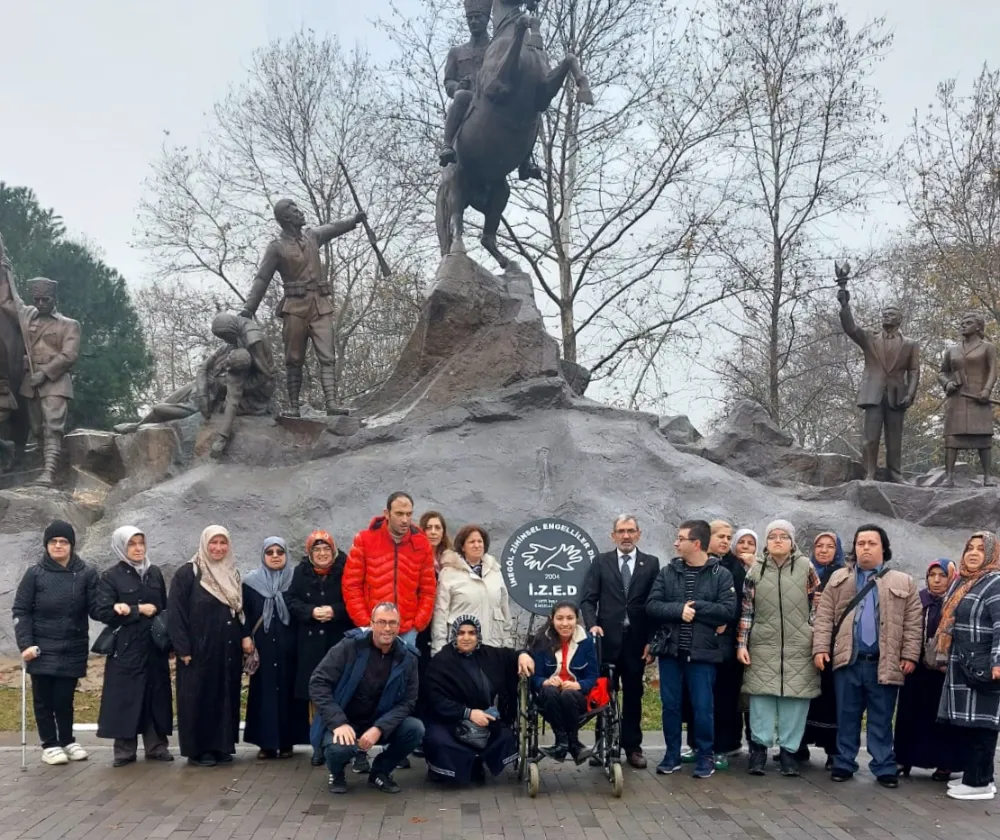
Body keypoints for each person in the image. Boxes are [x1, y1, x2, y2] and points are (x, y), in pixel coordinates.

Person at [812, 525, 921, 788]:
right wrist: (820, 648)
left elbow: (913, 623)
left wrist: (910, 655)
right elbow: (825, 617)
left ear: (883, 547)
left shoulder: (903, 581)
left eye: (872, 543)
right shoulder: (839, 578)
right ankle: (844, 762)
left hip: (884, 662)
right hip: (848, 660)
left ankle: (883, 765)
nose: (866, 548)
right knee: (847, 715)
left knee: (881, 717)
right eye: (861, 543)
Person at [238, 198, 366, 416]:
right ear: (286, 217)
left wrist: (354, 220)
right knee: (294, 358)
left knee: (327, 356)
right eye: (294, 209)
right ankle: (294, 407)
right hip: (295, 308)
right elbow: (262, 279)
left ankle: (332, 404)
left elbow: (334, 228)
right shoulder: (277, 248)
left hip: (320, 305)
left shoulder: (312, 236)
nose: (299, 212)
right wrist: (249, 309)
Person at [646, 520, 736, 779]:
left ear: (696, 544)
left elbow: (728, 611)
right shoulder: (668, 571)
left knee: (703, 706)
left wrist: (695, 608)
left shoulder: (721, 575)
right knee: (670, 705)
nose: (676, 543)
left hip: (703, 653)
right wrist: (678, 610)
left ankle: (705, 755)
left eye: (681, 538)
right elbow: (652, 605)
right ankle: (671, 754)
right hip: (671, 653)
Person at [309, 602, 424, 795]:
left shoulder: (408, 658)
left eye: (392, 623)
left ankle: (381, 772)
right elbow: (318, 683)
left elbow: (409, 701)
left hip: (379, 721)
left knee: (415, 729)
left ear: (399, 626)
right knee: (339, 749)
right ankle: (336, 773)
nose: (387, 628)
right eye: (381, 622)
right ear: (371, 624)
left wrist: (380, 728)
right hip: (345, 719)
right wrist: (338, 723)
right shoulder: (349, 646)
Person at [737, 520, 821, 777]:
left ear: (792, 541)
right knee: (761, 699)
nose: (777, 540)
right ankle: (759, 751)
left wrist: (814, 635)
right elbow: (747, 611)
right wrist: (742, 644)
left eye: (783, 536)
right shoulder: (756, 570)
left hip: (799, 644)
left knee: (795, 701)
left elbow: (817, 603)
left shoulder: (806, 567)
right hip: (763, 643)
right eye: (772, 536)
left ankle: (788, 752)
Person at [12, 520, 99, 765]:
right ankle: (50, 744)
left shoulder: (86, 573)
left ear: (71, 545)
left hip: (72, 645)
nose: (58, 546)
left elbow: (96, 608)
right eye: (53, 542)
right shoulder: (35, 574)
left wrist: (117, 607)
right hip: (40, 647)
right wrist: (25, 644)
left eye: (64, 542)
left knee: (64, 698)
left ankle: (68, 740)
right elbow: (21, 610)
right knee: (44, 698)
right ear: (46, 545)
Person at [168, 525, 253, 767]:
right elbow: (175, 613)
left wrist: (244, 636)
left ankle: (221, 745)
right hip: (198, 651)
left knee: (224, 695)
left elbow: (239, 611)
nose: (218, 548)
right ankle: (199, 749)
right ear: (204, 544)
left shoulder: (232, 573)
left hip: (226, 650)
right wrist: (183, 649)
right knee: (198, 697)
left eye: (223, 543)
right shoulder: (189, 573)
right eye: (213, 543)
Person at [580, 514, 658, 769]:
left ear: (639, 534)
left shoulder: (651, 564)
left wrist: (652, 641)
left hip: (636, 643)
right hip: (607, 642)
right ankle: (602, 745)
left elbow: (654, 605)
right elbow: (588, 599)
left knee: (634, 695)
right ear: (612, 535)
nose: (626, 536)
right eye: (621, 531)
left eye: (631, 531)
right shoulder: (601, 562)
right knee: (602, 694)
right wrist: (592, 625)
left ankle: (632, 747)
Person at [422, 615, 534, 784]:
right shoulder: (441, 661)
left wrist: (523, 655)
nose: (466, 638)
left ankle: (477, 762)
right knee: (439, 740)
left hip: (487, 718)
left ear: (478, 635)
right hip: (451, 720)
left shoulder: (490, 654)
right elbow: (435, 699)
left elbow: (512, 656)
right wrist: (468, 713)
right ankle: (454, 769)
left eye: (471, 633)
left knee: (504, 735)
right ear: (454, 635)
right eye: (461, 633)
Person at [95, 526, 173, 766]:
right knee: (125, 697)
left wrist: (168, 640)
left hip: (153, 646)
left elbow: (164, 608)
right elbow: (101, 611)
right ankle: (124, 751)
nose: (138, 548)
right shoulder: (111, 576)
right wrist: (134, 610)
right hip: (126, 648)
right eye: (132, 544)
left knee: (155, 695)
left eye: (141, 543)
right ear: (121, 546)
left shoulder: (155, 573)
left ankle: (156, 746)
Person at [0, 265, 81, 487]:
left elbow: (68, 355)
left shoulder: (69, 325)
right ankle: (37, 469)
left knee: (52, 427)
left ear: (53, 298)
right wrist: (4, 273)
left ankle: (49, 473)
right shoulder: (27, 318)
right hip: (30, 383)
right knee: (36, 430)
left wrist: (45, 373)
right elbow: (9, 301)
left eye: (45, 300)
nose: (41, 304)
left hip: (55, 382)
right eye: (37, 300)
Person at [937, 532, 1000, 801]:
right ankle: (980, 777)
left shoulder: (995, 582)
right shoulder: (967, 581)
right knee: (973, 724)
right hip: (966, 664)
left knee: (983, 726)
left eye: (980, 549)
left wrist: (998, 661)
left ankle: (978, 783)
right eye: (969, 548)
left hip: (984, 666)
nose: (973, 553)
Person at [837, 288, 921, 482]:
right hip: (873, 394)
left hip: (897, 396)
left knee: (895, 439)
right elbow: (851, 329)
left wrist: (910, 394)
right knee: (871, 439)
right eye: (884, 314)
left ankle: (895, 473)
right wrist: (844, 306)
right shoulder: (869, 337)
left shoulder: (910, 344)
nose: (886, 316)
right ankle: (870, 473)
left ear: (900, 319)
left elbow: (914, 370)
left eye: (891, 314)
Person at [894, 560, 966, 780]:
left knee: (941, 718)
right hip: (917, 668)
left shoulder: (959, 601)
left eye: (942, 575)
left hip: (944, 671)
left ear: (952, 577)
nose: (936, 580)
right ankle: (904, 758)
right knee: (910, 715)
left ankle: (943, 764)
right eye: (932, 575)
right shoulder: (918, 600)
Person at [285, 530, 352, 765]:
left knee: (343, 692)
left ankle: (345, 744)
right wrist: (311, 612)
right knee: (316, 696)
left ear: (333, 550)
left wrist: (334, 611)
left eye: (326, 549)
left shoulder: (346, 569)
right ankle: (318, 746)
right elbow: (291, 600)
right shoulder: (301, 572)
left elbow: (354, 599)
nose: (322, 554)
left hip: (339, 642)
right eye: (317, 549)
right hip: (311, 645)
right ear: (310, 552)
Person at [243, 537, 309, 759]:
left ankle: (288, 741)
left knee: (290, 692)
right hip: (264, 647)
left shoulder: (295, 580)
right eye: (269, 552)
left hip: (291, 648)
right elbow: (244, 614)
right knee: (265, 693)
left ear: (286, 554)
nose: (274, 556)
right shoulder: (251, 583)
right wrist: (246, 638)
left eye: (279, 552)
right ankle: (266, 743)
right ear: (263, 555)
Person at [342, 492, 436, 646]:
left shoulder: (421, 544)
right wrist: (366, 622)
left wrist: (418, 623)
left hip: (407, 630)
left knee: (404, 670)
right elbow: (351, 585)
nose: (405, 520)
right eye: (399, 514)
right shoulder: (365, 540)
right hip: (373, 629)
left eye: (408, 514)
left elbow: (428, 589)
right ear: (386, 514)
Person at [530, 601, 599, 765]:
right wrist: (545, 681)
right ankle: (564, 743)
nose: (565, 623)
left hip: (576, 697)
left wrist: (579, 685)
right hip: (549, 698)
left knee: (568, 694)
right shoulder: (542, 640)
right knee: (550, 691)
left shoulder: (586, 641)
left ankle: (570, 742)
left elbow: (593, 676)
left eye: (570, 618)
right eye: (560, 618)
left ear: (577, 619)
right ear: (552, 619)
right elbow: (534, 677)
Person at [798, 532, 845, 767]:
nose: (824, 550)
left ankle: (832, 751)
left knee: (830, 698)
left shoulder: (845, 575)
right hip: (806, 644)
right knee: (804, 697)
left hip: (833, 645)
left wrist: (827, 603)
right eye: (819, 546)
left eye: (830, 546)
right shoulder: (805, 572)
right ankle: (799, 746)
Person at [938, 311, 998, 486]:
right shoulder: (952, 350)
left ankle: (987, 476)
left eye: (968, 322)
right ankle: (949, 477)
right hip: (957, 399)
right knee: (951, 438)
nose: (963, 325)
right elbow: (942, 372)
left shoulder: (987, 347)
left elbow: (993, 370)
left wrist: (987, 390)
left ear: (978, 326)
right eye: (962, 322)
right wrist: (946, 384)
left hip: (978, 397)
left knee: (984, 438)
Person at [431, 525, 511, 654]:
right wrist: (439, 648)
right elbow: (440, 613)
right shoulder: (449, 573)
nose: (477, 545)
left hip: (493, 646)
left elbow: (504, 609)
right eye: (472, 542)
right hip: (461, 648)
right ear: (462, 547)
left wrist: (508, 644)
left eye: (480, 541)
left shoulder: (495, 571)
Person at [706, 519, 747, 767]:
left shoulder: (736, 567)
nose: (725, 541)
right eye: (720, 536)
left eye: (728, 537)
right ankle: (700, 743)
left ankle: (725, 745)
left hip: (728, 642)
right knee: (700, 696)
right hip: (701, 640)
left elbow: (744, 603)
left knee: (725, 696)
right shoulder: (697, 563)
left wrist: (726, 619)